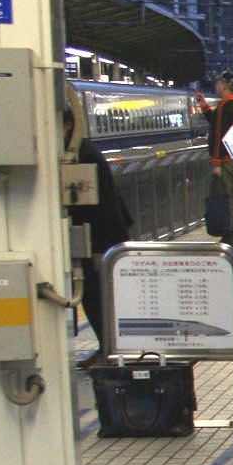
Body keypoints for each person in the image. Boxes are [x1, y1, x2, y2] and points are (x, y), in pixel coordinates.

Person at [63, 105, 132, 365]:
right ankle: (107, 348)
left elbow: (104, 206)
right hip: (88, 237)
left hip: (101, 238)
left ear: (68, 124)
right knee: (93, 298)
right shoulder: (74, 151)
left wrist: (100, 248)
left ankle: (111, 350)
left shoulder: (84, 154)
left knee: (99, 297)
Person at [196, 71, 233, 253]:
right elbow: (218, 124)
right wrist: (204, 107)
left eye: (218, 82)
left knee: (226, 200)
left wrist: (216, 163)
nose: (216, 86)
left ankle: (230, 236)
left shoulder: (225, 105)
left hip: (225, 161)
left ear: (225, 85)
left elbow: (218, 135)